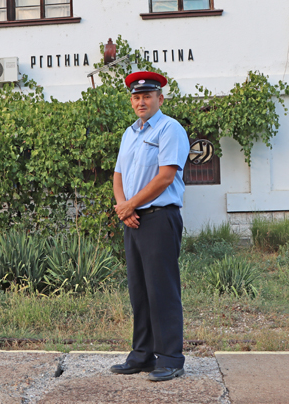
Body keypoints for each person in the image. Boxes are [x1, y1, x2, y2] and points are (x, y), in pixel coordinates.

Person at [110, 70, 190, 382]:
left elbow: (165, 176)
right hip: (133, 218)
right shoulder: (129, 133)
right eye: (136, 96)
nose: (141, 101)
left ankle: (170, 358)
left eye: (147, 96)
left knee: (162, 290)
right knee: (139, 290)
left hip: (159, 217)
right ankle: (142, 355)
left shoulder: (170, 129)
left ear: (160, 98)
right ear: (132, 101)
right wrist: (123, 207)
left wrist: (132, 204)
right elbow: (118, 175)